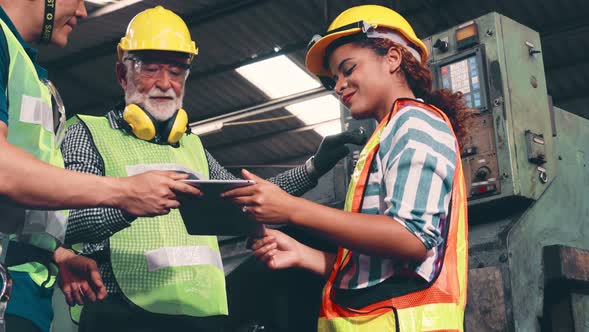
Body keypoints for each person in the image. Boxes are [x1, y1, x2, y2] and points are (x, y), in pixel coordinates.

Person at [61, 6, 364, 332]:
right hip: (122, 315)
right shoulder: (89, 133)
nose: (165, 83)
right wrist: (128, 202)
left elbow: (249, 200)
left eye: (176, 72)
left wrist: (313, 167)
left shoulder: (192, 146)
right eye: (150, 70)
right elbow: (65, 222)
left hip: (203, 317)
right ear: (123, 75)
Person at [224, 4, 470, 331]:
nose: (339, 85)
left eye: (348, 69)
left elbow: (410, 237)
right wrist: (302, 254)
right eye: (335, 78)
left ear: (392, 59)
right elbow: (379, 272)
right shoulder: (387, 133)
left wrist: (291, 209)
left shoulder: (415, 122)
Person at [0, 1, 201, 332]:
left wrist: (54, 254)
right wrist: (124, 192)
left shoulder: (33, 76)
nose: (81, 12)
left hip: (26, 289)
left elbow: (21, 202)